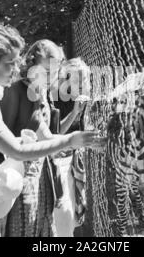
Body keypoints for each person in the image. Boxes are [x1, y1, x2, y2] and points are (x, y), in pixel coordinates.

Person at [0, 26, 106, 237]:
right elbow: (16, 151)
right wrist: (70, 140)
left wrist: (79, 139)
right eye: (9, 63)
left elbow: (39, 135)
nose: (17, 68)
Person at [1, 39, 76, 237]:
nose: (52, 77)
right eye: (47, 72)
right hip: (19, 178)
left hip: (43, 175)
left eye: (55, 71)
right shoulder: (17, 90)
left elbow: (49, 136)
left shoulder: (42, 92)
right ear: (31, 65)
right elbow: (3, 135)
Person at [52, 57, 91, 237]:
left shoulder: (84, 100)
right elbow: (55, 133)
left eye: (84, 80)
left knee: (74, 217)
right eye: (77, 80)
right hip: (58, 162)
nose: (82, 84)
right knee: (63, 215)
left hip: (74, 163)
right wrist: (75, 112)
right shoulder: (57, 100)